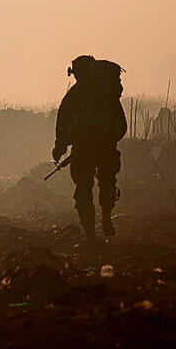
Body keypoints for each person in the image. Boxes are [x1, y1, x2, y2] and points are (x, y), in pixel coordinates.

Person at [53, 55, 127, 239]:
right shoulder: (109, 94)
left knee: (83, 188)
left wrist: (60, 147)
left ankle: (89, 230)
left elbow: (63, 122)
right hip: (107, 148)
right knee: (108, 183)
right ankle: (107, 218)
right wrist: (108, 139)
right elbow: (122, 124)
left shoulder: (76, 93)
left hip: (83, 150)